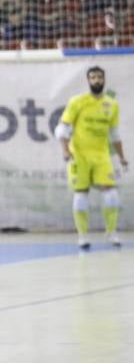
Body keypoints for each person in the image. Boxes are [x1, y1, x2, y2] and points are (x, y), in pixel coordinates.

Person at [57, 66, 127, 249]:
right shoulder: (77, 102)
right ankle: (82, 236)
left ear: (104, 80)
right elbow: (62, 129)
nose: (96, 80)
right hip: (79, 155)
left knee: (111, 194)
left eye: (99, 77)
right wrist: (65, 150)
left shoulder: (112, 105)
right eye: (93, 77)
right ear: (88, 80)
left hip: (102, 155)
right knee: (81, 194)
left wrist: (122, 157)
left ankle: (112, 232)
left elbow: (115, 134)